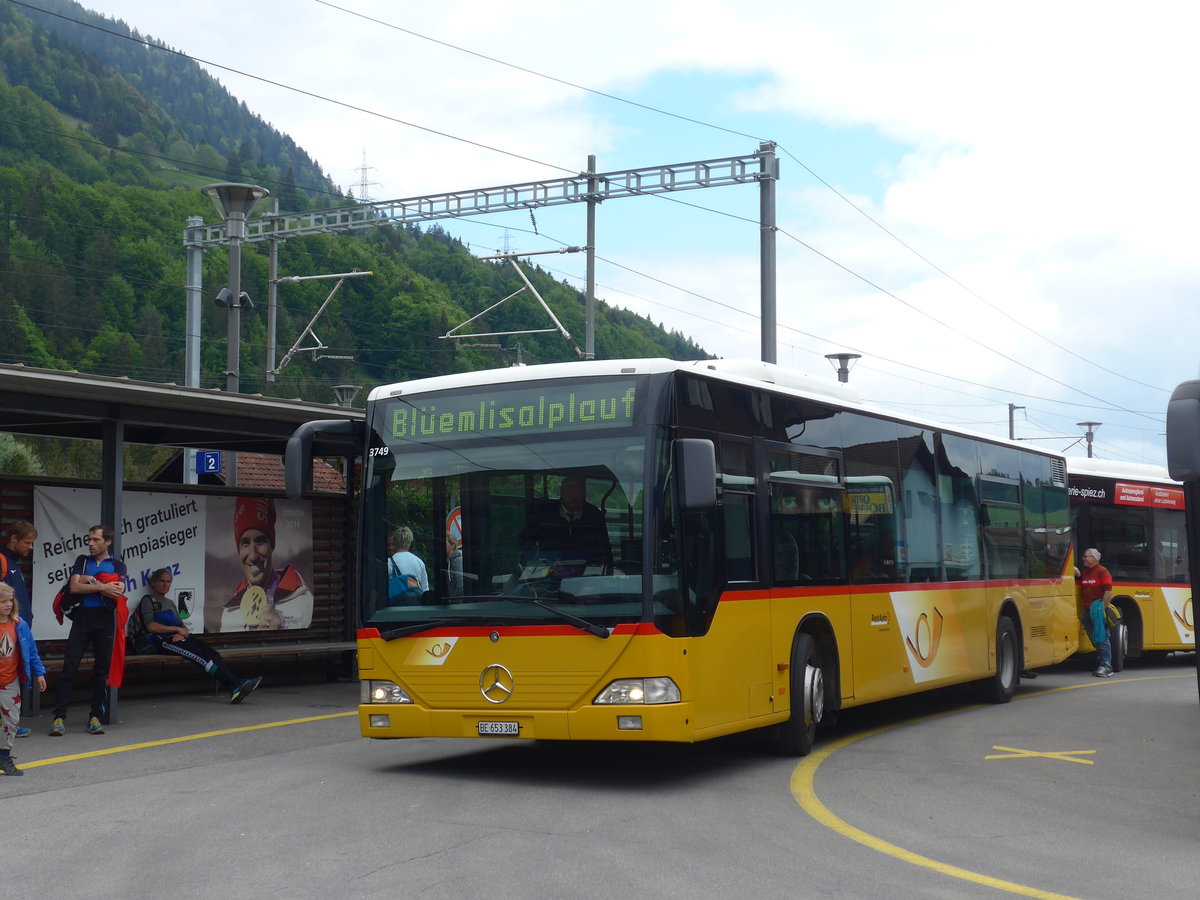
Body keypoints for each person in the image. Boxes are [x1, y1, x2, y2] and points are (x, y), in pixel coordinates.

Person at [138, 569, 262, 703]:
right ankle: (237, 682)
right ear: (153, 583)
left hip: (179, 638)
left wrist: (182, 631)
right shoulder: (148, 601)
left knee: (213, 655)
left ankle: (233, 689)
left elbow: (183, 626)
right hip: (165, 641)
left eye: (168, 581)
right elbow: (151, 626)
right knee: (202, 659)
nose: (165, 585)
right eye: (162, 581)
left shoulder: (170, 603)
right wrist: (177, 630)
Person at [50, 524, 126, 736]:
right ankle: (59, 717)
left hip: (105, 622)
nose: (90, 543)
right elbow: (74, 587)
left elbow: (118, 592)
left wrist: (88, 582)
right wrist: (101, 585)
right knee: (69, 668)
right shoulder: (82, 561)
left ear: (108, 542)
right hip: (82, 620)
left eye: (95, 540)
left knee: (101, 671)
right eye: (89, 539)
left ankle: (95, 717)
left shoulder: (118, 565)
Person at [220, 498, 314, 631]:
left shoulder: (304, 602)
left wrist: (278, 639)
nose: (253, 556)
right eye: (245, 543)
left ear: (272, 546)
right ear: (239, 550)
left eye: (260, 541)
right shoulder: (230, 613)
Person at [519, 474, 612, 572]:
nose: (576, 493)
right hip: (550, 574)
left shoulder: (594, 516)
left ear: (585, 493)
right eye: (571, 489)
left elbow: (605, 552)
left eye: (580, 490)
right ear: (562, 492)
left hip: (586, 576)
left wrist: (603, 578)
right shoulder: (545, 515)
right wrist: (539, 560)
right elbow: (525, 538)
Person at [0, 583, 45, 775]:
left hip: (10, 682)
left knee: (11, 721)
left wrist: (39, 673)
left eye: (10, 600)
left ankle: (4, 758)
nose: (8, 604)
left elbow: (31, 652)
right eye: (3, 601)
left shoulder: (19, 625)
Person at [2, 521, 36, 739]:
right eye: (27, 542)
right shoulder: (2, 561)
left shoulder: (13, 562)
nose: (30, 547)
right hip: (5, 634)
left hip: (18, 633)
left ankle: (9, 724)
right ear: (13, 539)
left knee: (14, 676)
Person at [1077, 547, 1114, 677]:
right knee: (1095, 638)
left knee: (1102, 638)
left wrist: (1102, 609)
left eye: (1086, 556)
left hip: (1097, 611)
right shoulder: (1085, 573)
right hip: (1086, 611)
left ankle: (1106, 666)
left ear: (1094, 558)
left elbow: (1108, 591)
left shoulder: (1102, 571)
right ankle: (1103, 662)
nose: (1084, 559)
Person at [389, 527, 428, 600]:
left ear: (395, 542)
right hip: (416, 606)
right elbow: (425, 590)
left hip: (396, 607)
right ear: (410, 542)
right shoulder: (419, 562)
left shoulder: (390, 562)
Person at [445, 533, 464, 598]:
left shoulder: (456, 560)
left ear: (452, 545)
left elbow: (460, 585)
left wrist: (452, 599)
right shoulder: (447, 561)